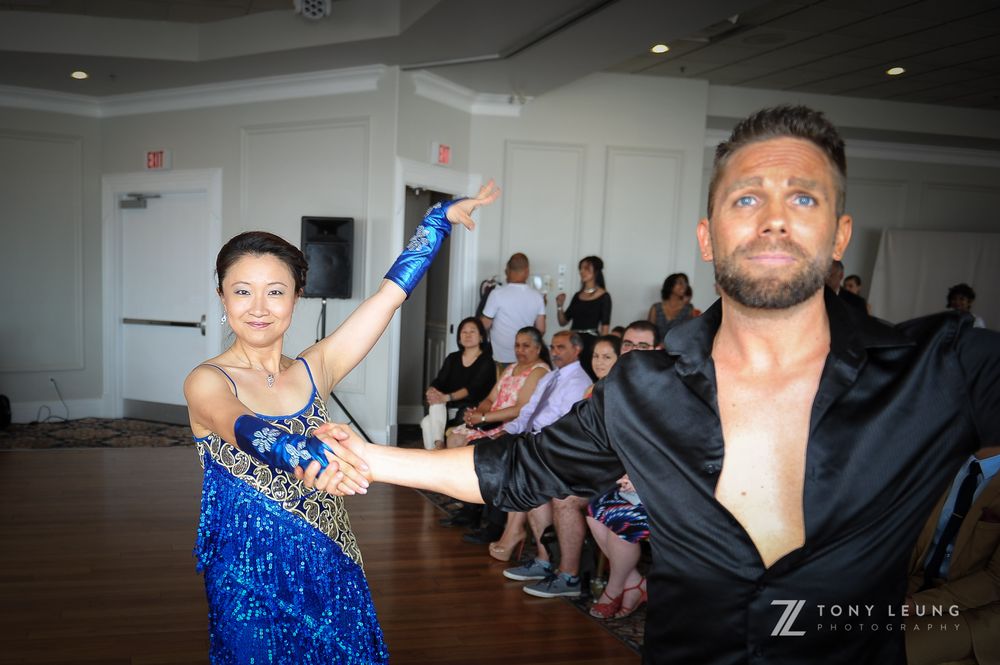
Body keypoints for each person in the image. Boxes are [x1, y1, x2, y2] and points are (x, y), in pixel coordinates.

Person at [303, 106, 1000, 665]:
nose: (774, 217)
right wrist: (365, 457)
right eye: (747, 197)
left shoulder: (941, 367)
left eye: (803, 197)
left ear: (839, 234)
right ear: (707, 236)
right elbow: (519, 469)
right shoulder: (645, 387)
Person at [183, 181, 499, 662]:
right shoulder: (207, 381)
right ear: (223, 298)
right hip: (247, 574)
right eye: (242, 291)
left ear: (297, 297)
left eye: (275, 292)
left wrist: (437, 223)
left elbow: (388, 298)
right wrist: (303, 452)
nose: (259, 308)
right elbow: (244, 427)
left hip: (330, 556)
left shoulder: (315, 368)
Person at [487, 331, 591, 602]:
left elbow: (563, 425)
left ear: (577, 349)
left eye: (561, 347)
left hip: (552, 446)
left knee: (530, 474)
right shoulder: (550, 377)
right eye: (553, 347)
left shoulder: (580, 382)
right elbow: (528, 411)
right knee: (516, 472)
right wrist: (507, 431)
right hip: (533, 440)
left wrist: (533, 442)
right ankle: (544, 560)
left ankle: (564, 573)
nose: (554, 352)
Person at [904, 446, 1000, 665]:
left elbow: (996, 580)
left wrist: (916, 604)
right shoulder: (940, 456)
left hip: (980, 611)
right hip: (918, 582)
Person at [585, 326, 654, 620]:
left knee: (619, 519)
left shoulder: (665, 387)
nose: (634, 350)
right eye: (628, 343)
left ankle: (613, 591)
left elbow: (673, 445)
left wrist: (640, 475)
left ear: (657, 350)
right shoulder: (616, 385)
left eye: (643, 345)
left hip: (663, 483)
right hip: (628, 474)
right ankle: (634, 583)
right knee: (594, 511)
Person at [444, 326, 549, 448]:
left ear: (538, 348)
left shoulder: (539, 371)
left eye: (526, 346)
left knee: (465, 445)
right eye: (517, 345)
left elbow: (519, 410)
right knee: (454, 438)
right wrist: (477, 414)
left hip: (510, 426)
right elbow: (490, 399)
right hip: (490, 421)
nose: (520, 350)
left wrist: (483, 418)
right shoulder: (511, 368)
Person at [420, 317, 495, 450]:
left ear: (481, 337)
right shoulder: (452, 358)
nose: (468, 335)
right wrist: (431, 391)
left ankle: (436, 453)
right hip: (448, 408)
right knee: (435, 406)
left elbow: (472, 388)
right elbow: (439, 381)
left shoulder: (486, 361)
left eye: (472, 331)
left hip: (470, 410)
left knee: (427, 422)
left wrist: (446, 397)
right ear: (459, 338)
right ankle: (439, 445)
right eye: (464, 332)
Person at [480, 253, 546, 366]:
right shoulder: (537, 297)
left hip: (501, 357)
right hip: (526, 357)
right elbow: (541, 330)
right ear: (527, 271)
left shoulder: (497, 294)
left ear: (508, 270)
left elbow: (485, 325)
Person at [556, 256, 612, 378]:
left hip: (590, 343)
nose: (582, 272)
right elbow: (563, 321)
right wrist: (560, 306)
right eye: (581, 269)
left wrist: (601, 350)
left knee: (588, 375)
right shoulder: (577, 296)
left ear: (596, 271)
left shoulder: (604, 296)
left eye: (586, 269)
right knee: (569, 374)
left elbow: (605, 328)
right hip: (573, 342)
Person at [647, 273, 695, 341]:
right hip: (657, 346)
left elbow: (690, 333)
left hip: (678, 346)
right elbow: (649, 332)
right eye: (680, 283)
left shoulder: (688, 309)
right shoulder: (656, 308)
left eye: (685, 283)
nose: (684, 286)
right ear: (670, 285)